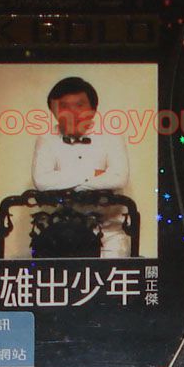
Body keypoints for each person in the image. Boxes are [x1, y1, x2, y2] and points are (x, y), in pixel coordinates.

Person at [31, 77, 131, 257]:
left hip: (108, 233)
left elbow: (118, 178)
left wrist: (62, 178)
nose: (72, 113)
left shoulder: (112, 136)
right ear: (53, 112)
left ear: (93, 110)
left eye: (79, 105)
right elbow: (41, 181)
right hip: (60, 232)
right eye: (63, 106)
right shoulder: (46, 139)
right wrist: (93, 174)